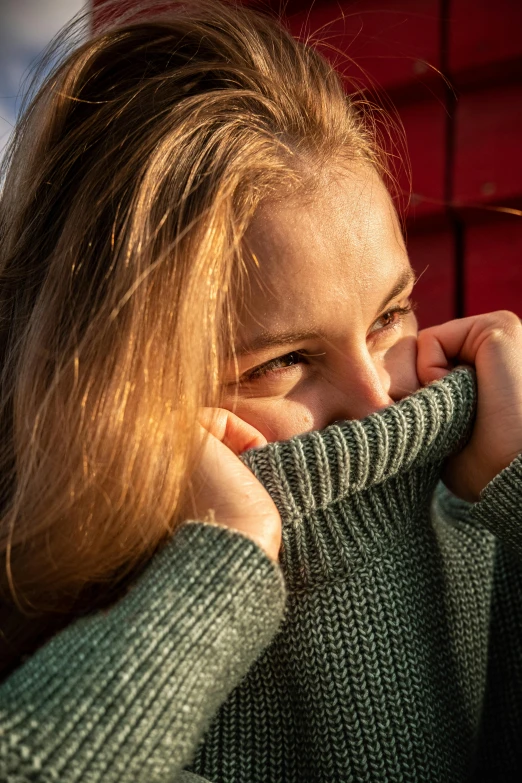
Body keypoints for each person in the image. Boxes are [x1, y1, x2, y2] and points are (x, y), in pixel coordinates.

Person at [0, 0, 521, 781]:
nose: (381, 403)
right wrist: (215, 575)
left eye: (390, 315)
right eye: (280, 362)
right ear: (111, 389)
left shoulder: (489, 535)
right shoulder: (79, 649)